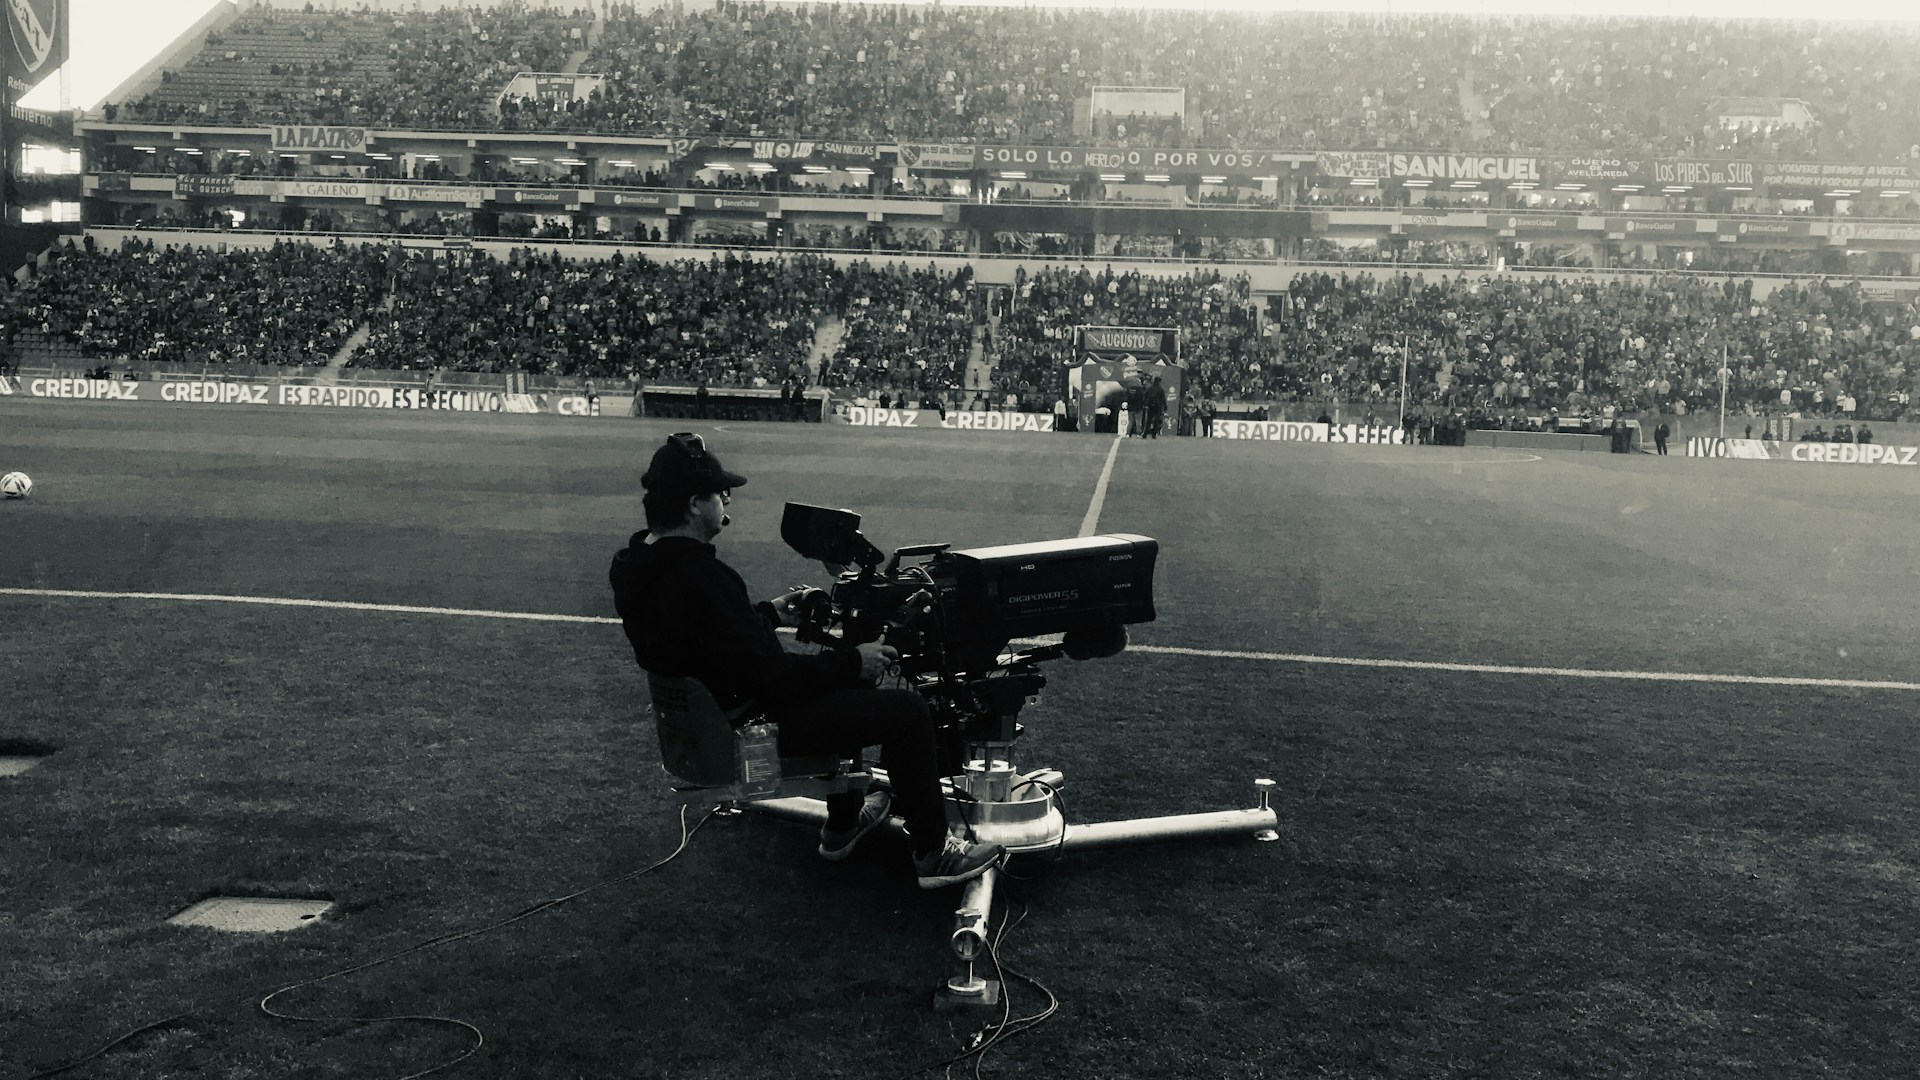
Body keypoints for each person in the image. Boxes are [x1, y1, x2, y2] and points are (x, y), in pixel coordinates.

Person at [610, 434, 1003, 889]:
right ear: (695, 503)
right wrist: (854, 662)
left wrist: (768, 613)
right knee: (907, 712)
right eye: (720, 493)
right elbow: (774, 678)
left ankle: (843, 827)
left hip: (708, 722)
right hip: (750, 728)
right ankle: (934, 853)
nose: (726, 499)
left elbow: (705, 637)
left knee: (845, 685)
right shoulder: (705, 577)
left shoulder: (636, 565)